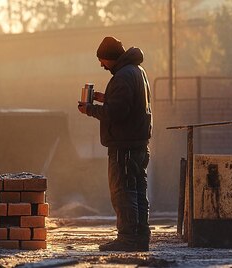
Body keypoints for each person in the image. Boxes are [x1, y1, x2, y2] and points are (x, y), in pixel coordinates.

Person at [78, 36, 153, 252]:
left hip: (124, 147)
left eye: (103, 60)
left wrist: (90, 110)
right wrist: (105, 97)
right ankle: (140, 237)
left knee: (123, 191)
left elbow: (117, 113)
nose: (102, 65)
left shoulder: (123, 76)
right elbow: (126, 104)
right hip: (138, 144)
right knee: (138, 191)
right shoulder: (137, 72)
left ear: (111, 57)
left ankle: (128, 239)